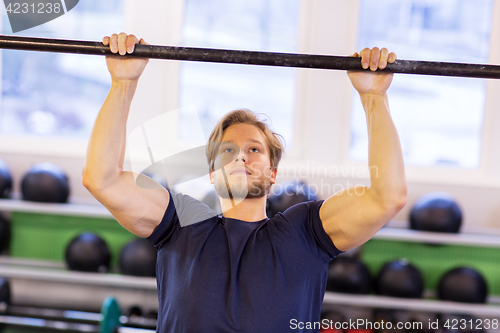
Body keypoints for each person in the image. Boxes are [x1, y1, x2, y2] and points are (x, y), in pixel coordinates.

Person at [82, 33, 407, 333]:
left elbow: (387, 197)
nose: (241, 157)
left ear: (273, 173)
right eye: (228, 151)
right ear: (212, 173)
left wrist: (374, 97)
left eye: (254, 149)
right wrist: (123, 82)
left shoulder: (305, 231)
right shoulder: (182, 223)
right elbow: (102, 178)